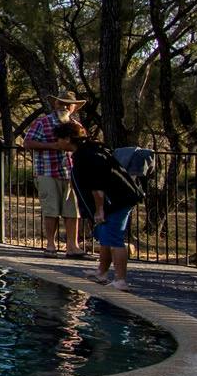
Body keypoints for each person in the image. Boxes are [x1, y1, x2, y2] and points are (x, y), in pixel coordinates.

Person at [54, 121, 142, 291]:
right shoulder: (87, 151)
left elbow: (97, 188)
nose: (56, 142)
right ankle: (101, 272)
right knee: (105, 236)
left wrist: (99, 210)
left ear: (67, 138)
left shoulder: (87, 156)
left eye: (58, 139)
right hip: (116, 199)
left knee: (114, 237)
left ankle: (121, 280)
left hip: (116, 201)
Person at [22, 90, 87, 258]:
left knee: (72, 211)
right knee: (51, 210)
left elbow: (83, 146)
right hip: (47, 171)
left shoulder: (77, 126)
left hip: (71, 173)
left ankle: (72, 246)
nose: (64, 106)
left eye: (68, 104)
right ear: (55, 104)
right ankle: (51, 244)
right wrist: (54, 146)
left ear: (74, 107)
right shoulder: (43, 123)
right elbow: (27, 142)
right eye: (61, 103)